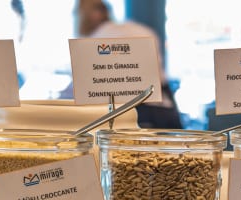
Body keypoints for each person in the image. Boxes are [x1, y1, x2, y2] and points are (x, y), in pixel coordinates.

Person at [71, 0, 182, 129]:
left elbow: (86, 88)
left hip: (122, 114)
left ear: (84, 16)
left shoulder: (92, 42)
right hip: (162, 109)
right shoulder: (140, 29)